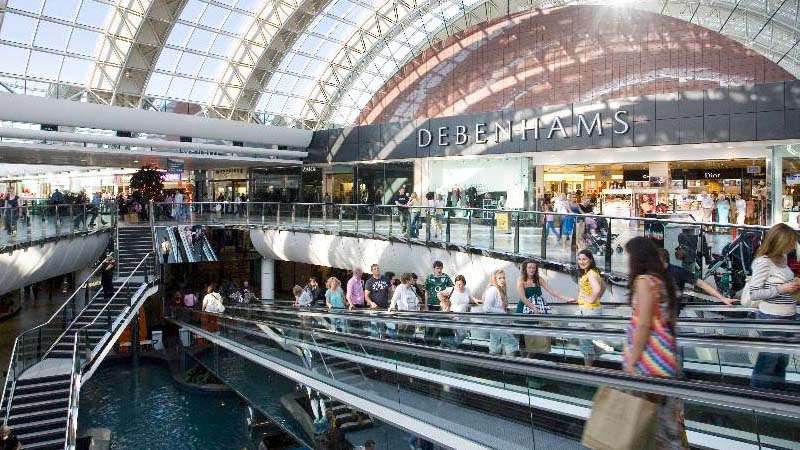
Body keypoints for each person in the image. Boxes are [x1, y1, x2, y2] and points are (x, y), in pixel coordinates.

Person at [622, 237, 688, 448]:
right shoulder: (662, 280)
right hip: (666, 355)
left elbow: (644, 324)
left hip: (648, 359)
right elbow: (670, 320)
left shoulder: (643, 281)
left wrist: (632, 361)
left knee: (645, 418)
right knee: (666, 419)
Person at [747, 223, 800, 390]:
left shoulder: (783, 259)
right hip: (771, 318)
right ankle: (760, 398)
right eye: (790, 242)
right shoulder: (763, 262)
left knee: (781, 360)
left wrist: (793, 285)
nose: (793, 246)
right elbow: (755, 293)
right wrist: (782, 288)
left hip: (788, 317)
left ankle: (775, 396)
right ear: (780, 241)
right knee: (769, 360)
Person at [566, 249, 606, 366]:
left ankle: (588, 370)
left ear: (590, 260)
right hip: (590, 309)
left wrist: (591, 299)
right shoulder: (593, 272)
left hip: (589, 310)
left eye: (584, 259)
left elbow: (598, 289)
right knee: (584, 338)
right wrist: (594, 298)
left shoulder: (591, 274)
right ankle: (594, 357)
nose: (581, 262)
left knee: (585, 341)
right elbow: (603, 286)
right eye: (579, 259)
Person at [657, 248, 734, 307]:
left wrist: (722, 298)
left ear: (661, 260)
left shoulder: (678, 272)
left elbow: (702, 284)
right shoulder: (652, 272)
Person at [483, 269, 518, 356]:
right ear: (494, 279)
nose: (502, 280)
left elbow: (498, 306)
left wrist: (505, 311)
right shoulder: (493, 290)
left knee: (495, 345)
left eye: (503, 278)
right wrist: (502, 311)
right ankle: (511, 367)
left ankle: (494, 366)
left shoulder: (501, 289)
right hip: (496, 323)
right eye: (499, 278)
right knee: (511, 343)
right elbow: (486, 308)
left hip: (497, 322)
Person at [364, 264, 391, 337]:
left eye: (378, 268)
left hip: (385, 306)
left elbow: (390, 291)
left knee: (384, 326)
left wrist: (390, 300)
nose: (377, 270)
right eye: (375, 269)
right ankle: (375, 344)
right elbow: (366, 296)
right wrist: (371, 303)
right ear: (372, 271)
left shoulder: (386, 279)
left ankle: (383, 341)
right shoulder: (369, 282)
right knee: (375, 327)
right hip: (375, 308)